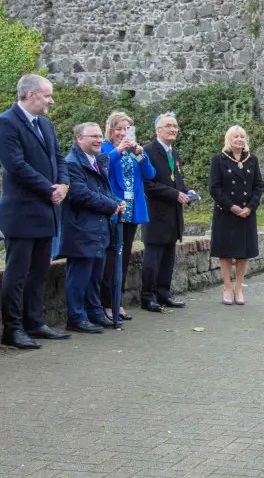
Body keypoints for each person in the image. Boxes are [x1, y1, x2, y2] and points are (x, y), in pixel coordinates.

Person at [0, 75, 70, 349]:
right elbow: (15, 166)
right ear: (30, 95)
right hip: (21, 212)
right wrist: (50, 188)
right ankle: (12, 329)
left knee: (39, 271)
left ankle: (34, 323)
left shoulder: (45, 125)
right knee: (17, 272)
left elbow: (58, 158)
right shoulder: (4, 123)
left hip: (46, 211)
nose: (51, 100)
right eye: (47, 95)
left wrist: (63, 185)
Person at [59, 122, 126, 333]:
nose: (98, 140)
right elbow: (80, 194)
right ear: (80, 139)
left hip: (98, 228)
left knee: (95, 275)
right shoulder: (71, 164)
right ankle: (76, 317)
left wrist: (116, 201)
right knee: (79, 276)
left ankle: (95, 312)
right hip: (81, 228)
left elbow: (102, 190)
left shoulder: (96, 161)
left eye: (99, 136)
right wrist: (112, 205)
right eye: (93, 137)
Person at [100, 112, 155, 323]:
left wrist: (141, 154)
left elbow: (150, 174)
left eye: (126, 129)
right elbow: (101, 166)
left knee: (123, 258)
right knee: (111, 258)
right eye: (119, 129)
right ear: (111, 130)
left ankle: (117, 301)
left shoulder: (133, 151)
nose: (122, 133)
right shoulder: (106, 148)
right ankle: (106, 303)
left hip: (132, 209)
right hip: (115, 208)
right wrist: (117, 150)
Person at [141, 113, 197, 313]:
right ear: (158, 130)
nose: (173, 129)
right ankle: (148, 297)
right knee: (152, 259)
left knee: (168, 259)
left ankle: (164, 294)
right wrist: (175, 194)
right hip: (155, 215)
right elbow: (148, 184)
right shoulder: (147, 151)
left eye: (175, 126)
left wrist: (186, 191)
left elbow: (176, 180)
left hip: (174, 216)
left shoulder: (174, 153)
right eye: (168, 126)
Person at [209, 125, 264, 306]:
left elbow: (259, 186)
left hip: (246, 214)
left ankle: (239, 288)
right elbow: (214, 188)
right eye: (235, 137)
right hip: (226, 213)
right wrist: (231, 207)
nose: (239, 139)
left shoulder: (252, 160)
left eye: (242, 136)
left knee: (243, 253)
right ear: (229, 140)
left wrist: (250, 207)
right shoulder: (218, 160)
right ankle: (227, 287)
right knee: (225, 252)